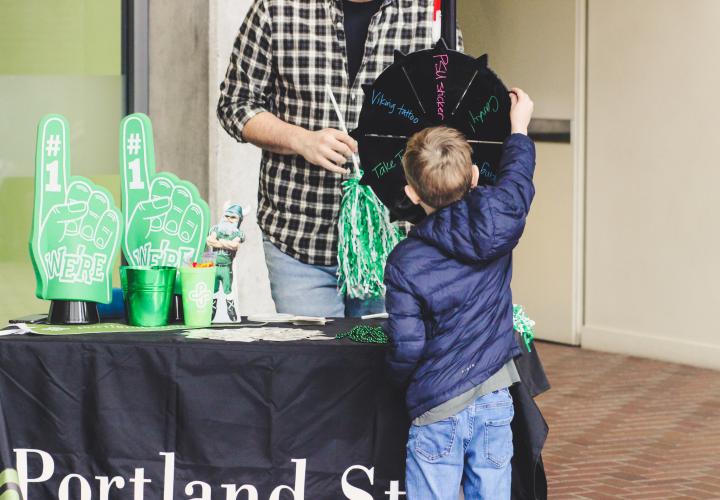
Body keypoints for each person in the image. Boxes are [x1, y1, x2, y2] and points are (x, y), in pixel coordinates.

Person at [217, 0, 460, 318]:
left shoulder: (430, 12)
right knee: (314, 364)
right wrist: (300, 139)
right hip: (299, 237)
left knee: (380, 363)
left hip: (396, 243)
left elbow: (453, 119)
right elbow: (235, 104)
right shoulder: (275, 8)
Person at [384, 89, 535, 499]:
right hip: (494, 397)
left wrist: (399, 385)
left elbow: (407, 345)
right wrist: (518, 128)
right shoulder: (499, 220)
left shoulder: (404, 261)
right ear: (473, 177)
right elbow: (518, 180)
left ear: (413, 194)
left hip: (436, 408)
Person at [206, 204, 246, 322]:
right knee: (213, 290)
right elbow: (209, 241)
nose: (229, 219)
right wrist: (226, 243)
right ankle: (212, 312)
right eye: (227, 216)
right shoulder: (216, 229)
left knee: (228, 291)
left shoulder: (238, 233)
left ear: (239, 220)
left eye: (233, 217)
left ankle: (231, 312)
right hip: (213, 266)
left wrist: (219, 242)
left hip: (226, 268)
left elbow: (235, 245)